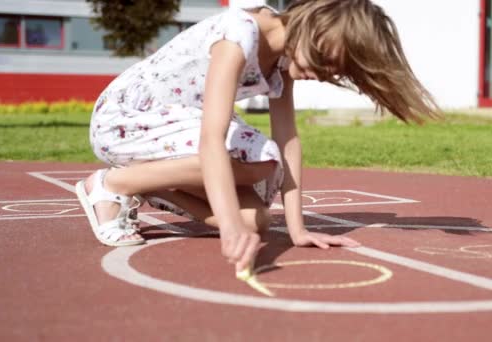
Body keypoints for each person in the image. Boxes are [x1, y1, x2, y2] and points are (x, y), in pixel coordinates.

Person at [75, 0, 440, 272]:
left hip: (175, 130)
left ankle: (149, 185)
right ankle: (114, 183)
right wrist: (229, 227)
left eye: (336, 72)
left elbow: (289, 140)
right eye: (329, 61)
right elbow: (211, 139)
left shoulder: (283, 60)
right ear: (318, 26)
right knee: (260, 159)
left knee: (256, 221)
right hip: (126, 119)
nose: (324, 75)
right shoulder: (240, 34)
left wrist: (297, 230)